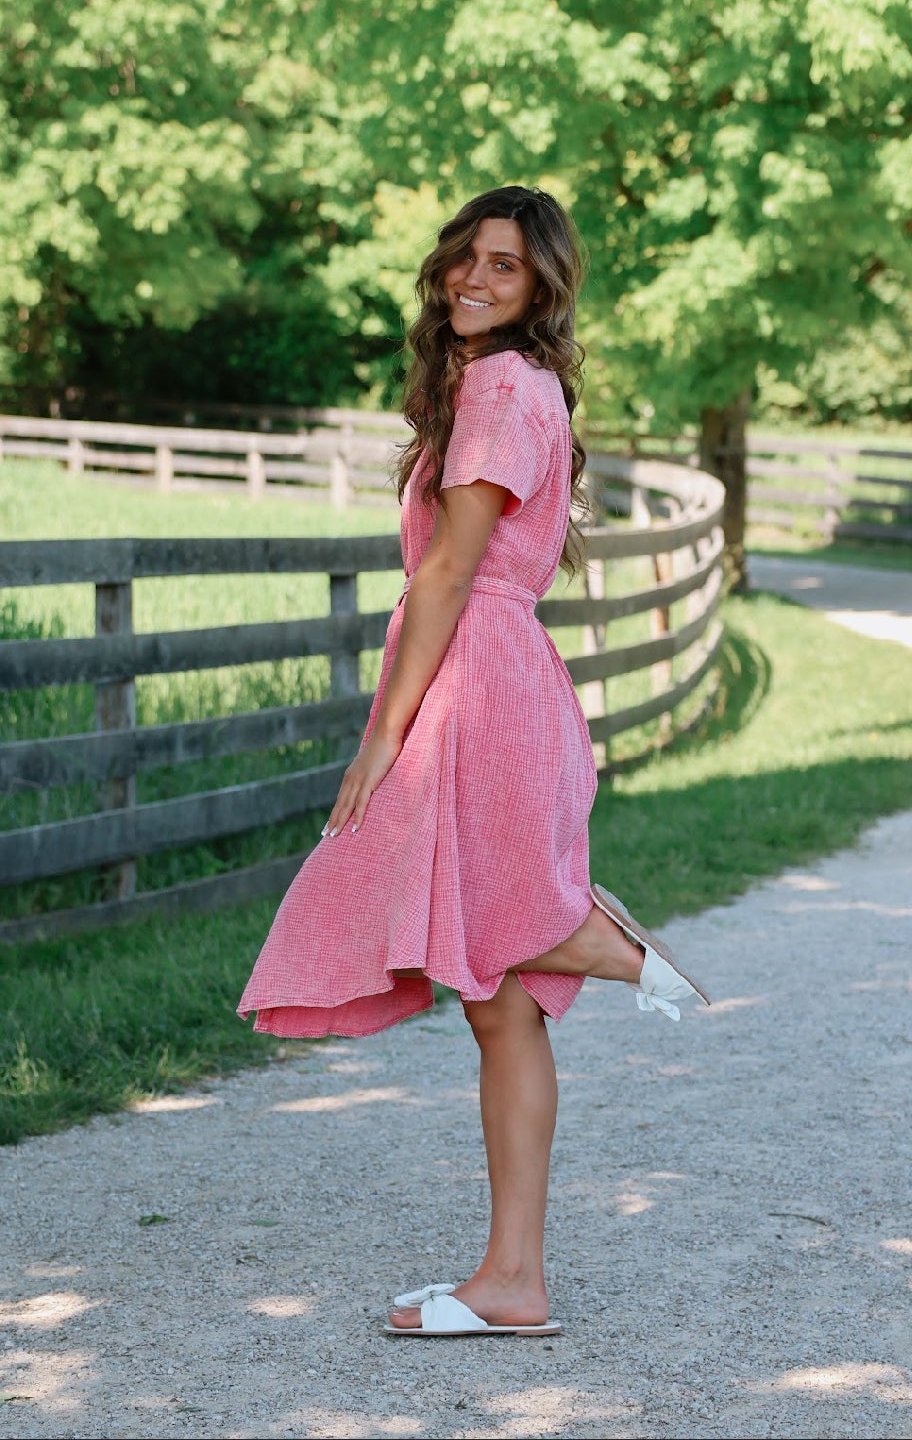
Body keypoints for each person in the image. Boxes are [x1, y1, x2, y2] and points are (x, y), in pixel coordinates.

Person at [238, 185, 708, 1338]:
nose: (473, 277)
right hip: (498, 673)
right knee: (496, 1008)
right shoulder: (507, 383)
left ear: (540, 286)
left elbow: (448, 573)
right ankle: (513, 1281)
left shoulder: (500, 386)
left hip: (476, 685)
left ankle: (598, 937)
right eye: (464, 256)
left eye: (503, 264)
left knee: (479, 930)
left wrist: (383, 736)